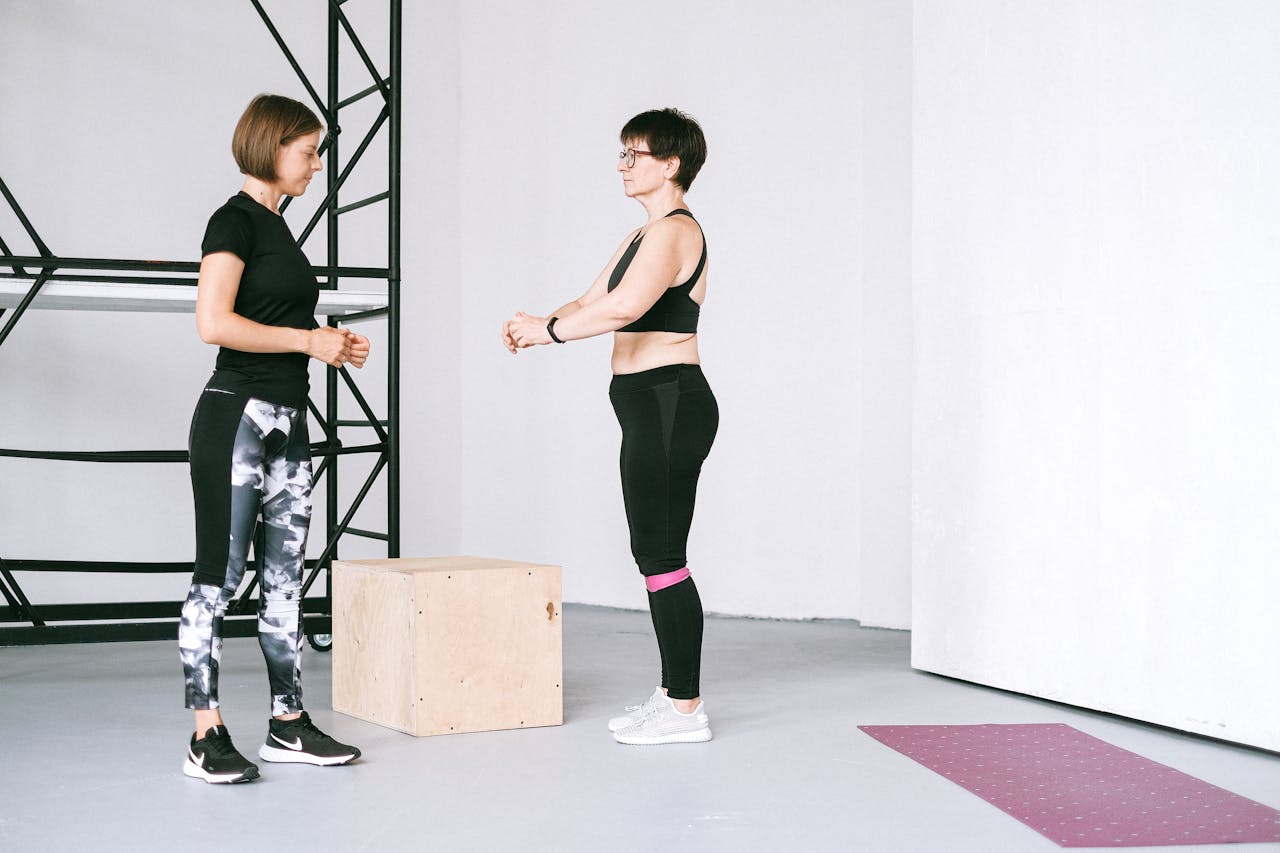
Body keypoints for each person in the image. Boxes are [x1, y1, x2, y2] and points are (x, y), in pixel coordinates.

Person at [503, 107, 717, 745]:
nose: (624, 165)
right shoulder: (639, 237)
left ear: (670, 165)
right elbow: (593, 300)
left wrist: (550, 334)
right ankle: (674, 696)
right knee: (653, 555)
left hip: (670, 401)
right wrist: (538, 321)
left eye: (636, 154)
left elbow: (627, 307)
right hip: (646, 404)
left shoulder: (677, 232)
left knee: (662, 556)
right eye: (621, 154)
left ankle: (686, 711)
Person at [179, 93, 368, 783]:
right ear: (271, 146)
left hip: (289, 419)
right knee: (218, 579)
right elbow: (213, 322)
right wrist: (306, 339)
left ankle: (287, 722)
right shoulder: (234, 221)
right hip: (237, 417)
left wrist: (330, 344)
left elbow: (280, 322)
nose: (317, 165)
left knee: (286, 580)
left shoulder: (279, 228)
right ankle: (206, 734)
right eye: (308, 151)